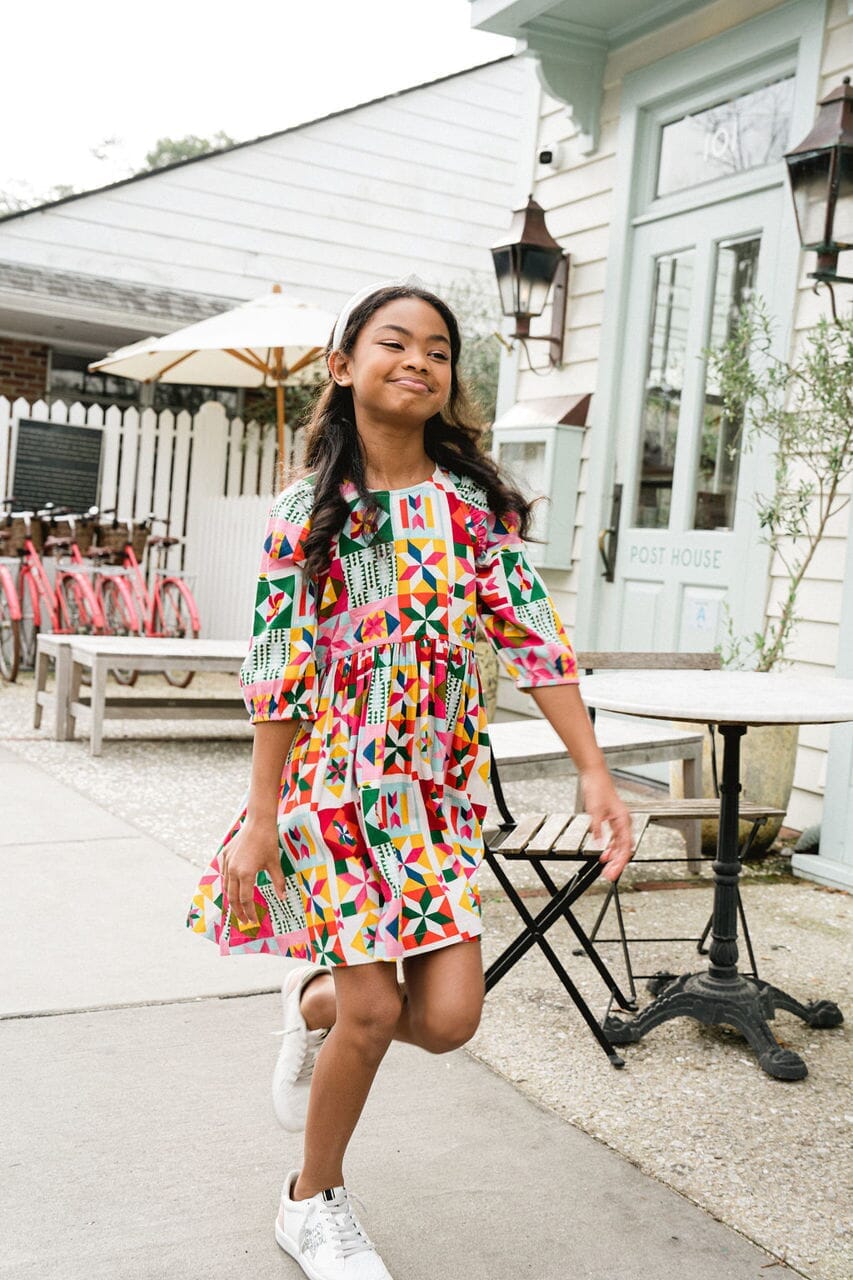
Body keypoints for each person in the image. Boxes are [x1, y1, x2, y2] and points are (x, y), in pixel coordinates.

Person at [187, 280, 634, 1280]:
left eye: (439, 349)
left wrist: (593, 770)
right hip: (333, 789)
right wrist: (260, 820)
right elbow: (276, 671)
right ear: (342, 366)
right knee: (378, 1010)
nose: (420, 361)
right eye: (395, 342)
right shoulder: (306, 514)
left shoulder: (472, 509)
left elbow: (534, 640)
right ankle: (312, 1200)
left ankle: (311, 1007)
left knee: (445, 1019)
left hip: (433, 796)